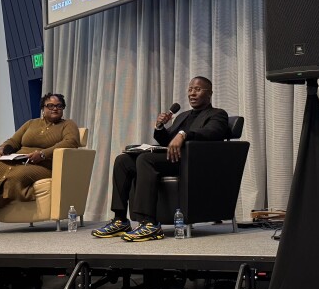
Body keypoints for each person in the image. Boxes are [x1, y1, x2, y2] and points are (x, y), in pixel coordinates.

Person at [93, 77, 230, 242]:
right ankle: (120, 219)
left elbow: (212, 133)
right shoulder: (183, 116)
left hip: (192, 163)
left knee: (145, 160)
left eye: (198, 89)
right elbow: (168, 142)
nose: (192, 93)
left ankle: (150, 223)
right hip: (173, 159)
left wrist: (183, 134)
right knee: (123, 161)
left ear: (209, 93)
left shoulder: (218, 114)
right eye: (190, 89)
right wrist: (160, 128)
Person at [0, 93, 80, 233]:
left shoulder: (68, 124)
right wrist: (3, 149)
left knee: (15, 176)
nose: (55, 109)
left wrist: (42, 154)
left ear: (63, 108)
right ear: (43, 108)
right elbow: (13, 141)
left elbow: (71, 142)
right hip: (20, 160)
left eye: (59, 106)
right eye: (50, 106)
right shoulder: (31, 124)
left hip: (43, 165)